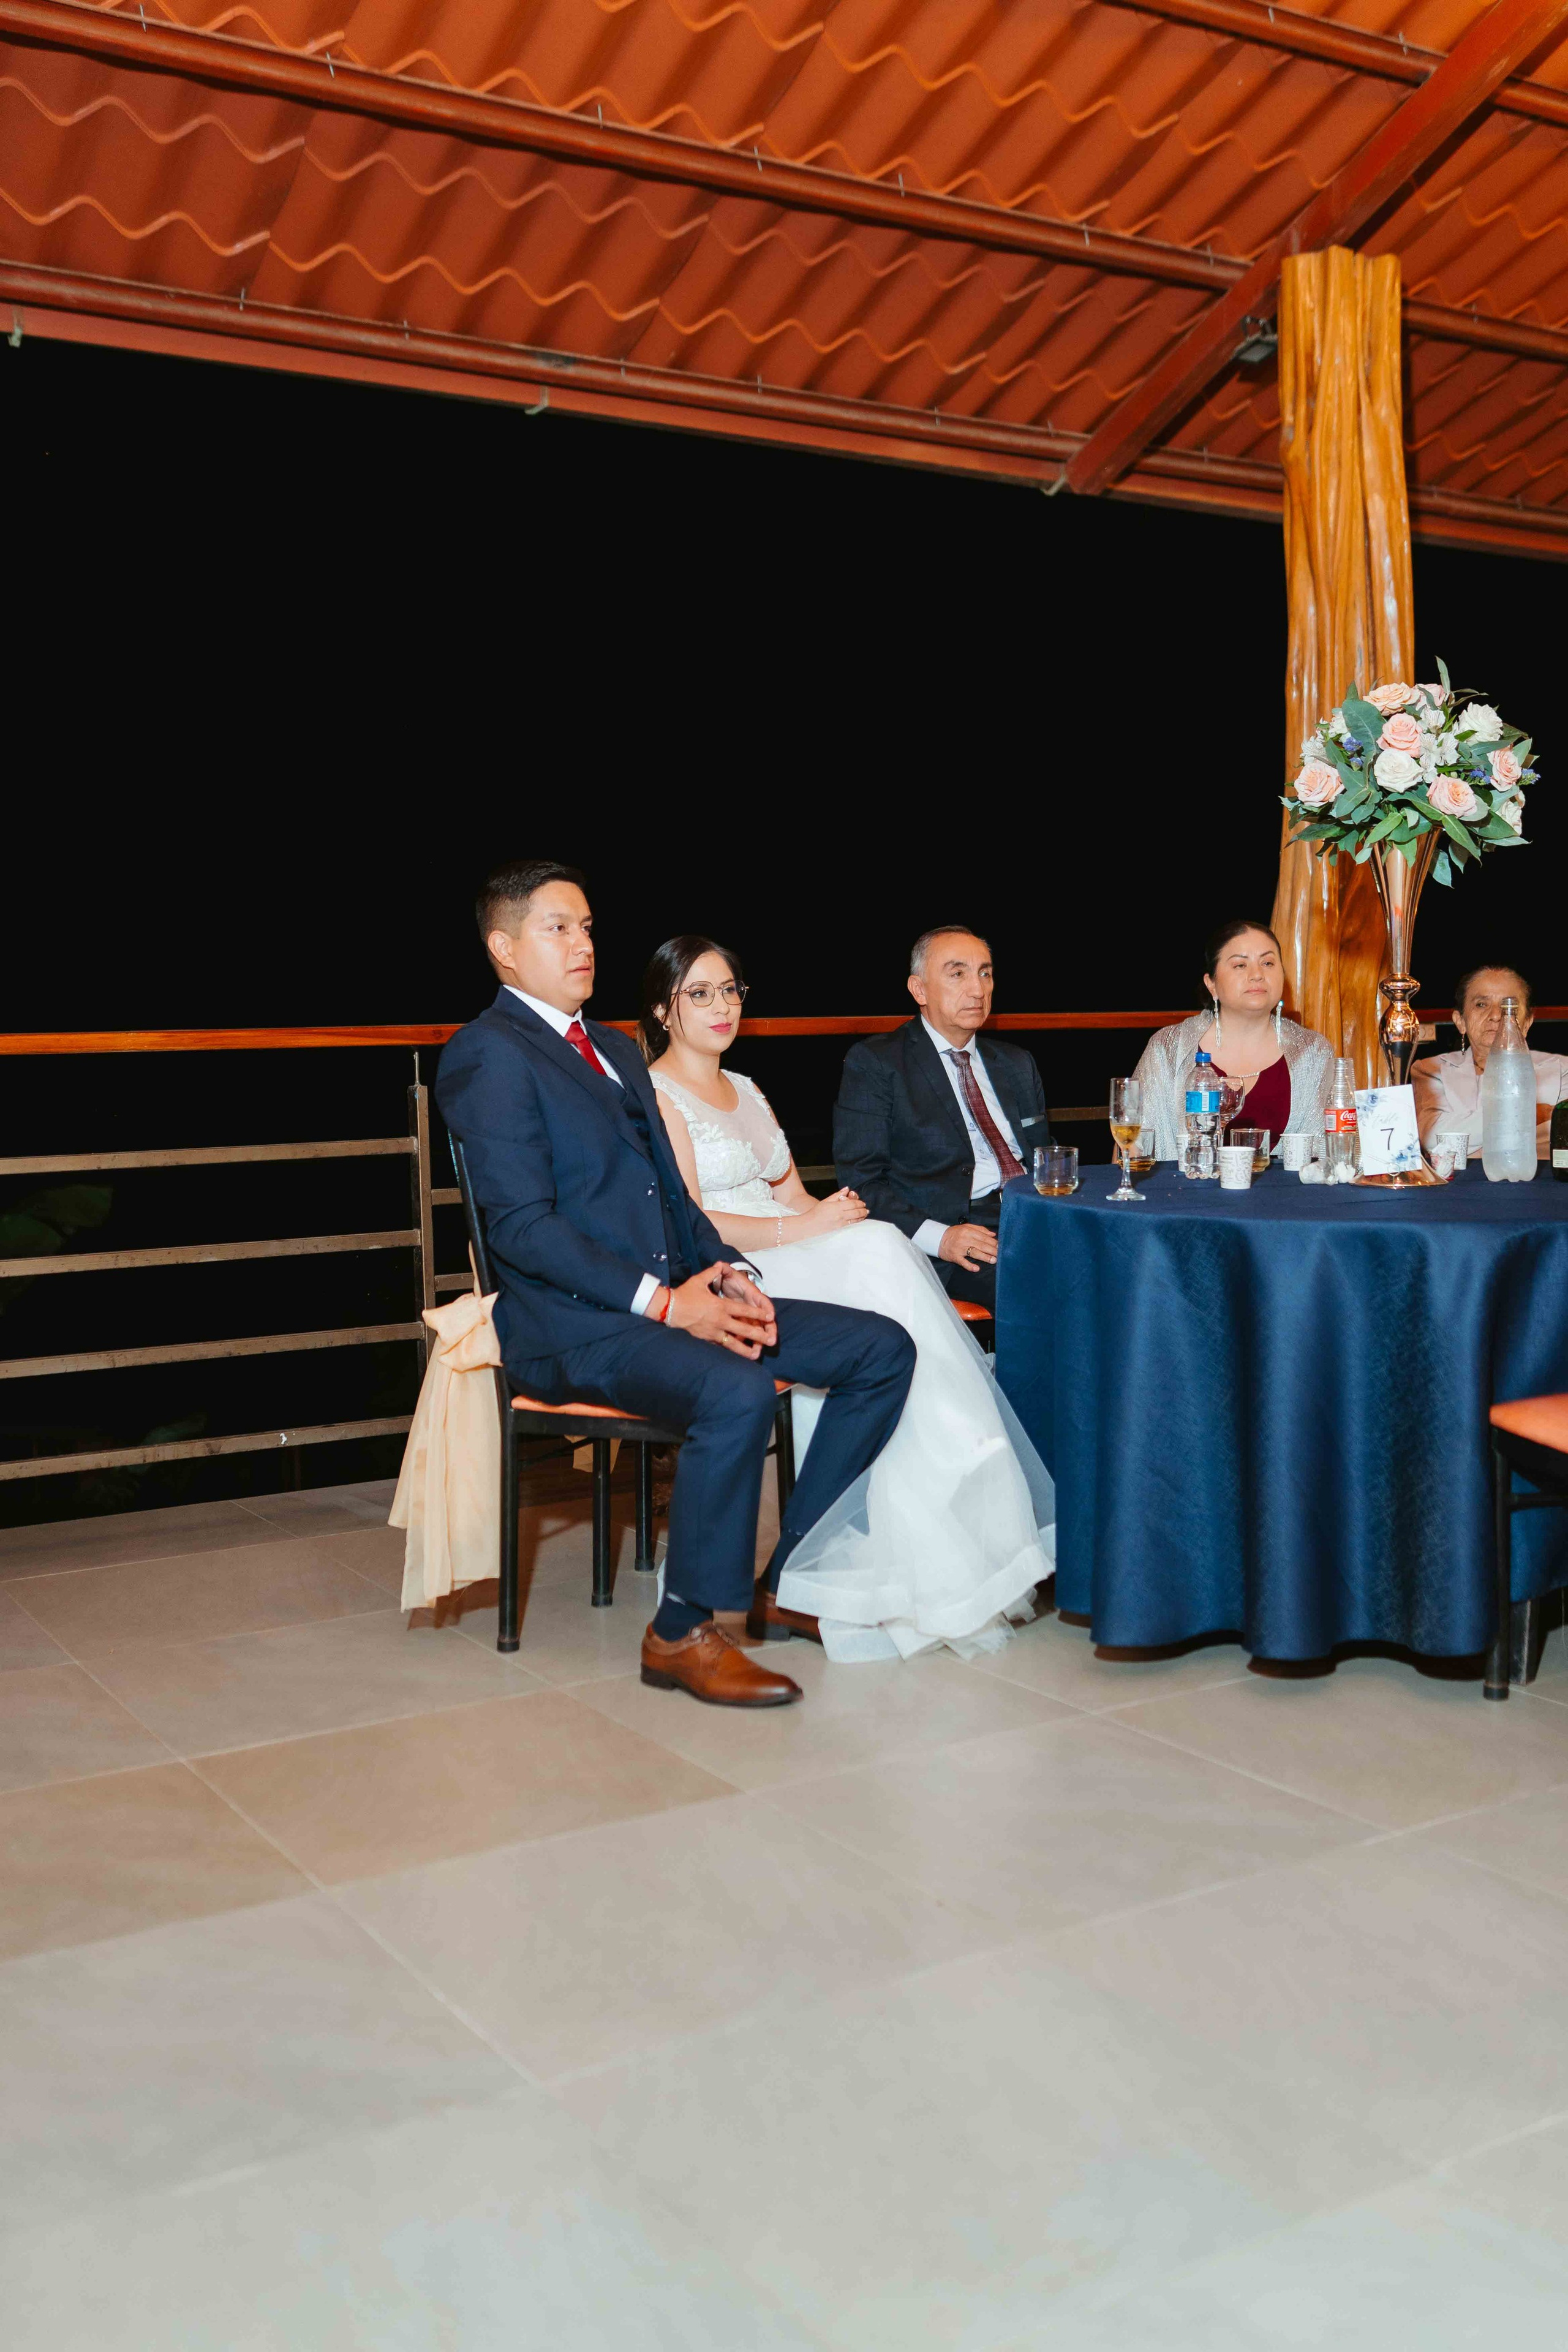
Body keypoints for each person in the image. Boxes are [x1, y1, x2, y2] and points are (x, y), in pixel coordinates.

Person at [435, 860, 916, 1710]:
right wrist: (663, 1303)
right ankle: (681, 1631)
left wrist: (724, 1276)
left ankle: (789, 1578)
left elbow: (672, 1193)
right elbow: (521, 1228)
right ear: (504, 949)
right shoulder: (487, 1055)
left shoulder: (616, 1048)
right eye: (558, 928)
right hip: (574, 1327)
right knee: (737, 1390)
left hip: (674, 1302)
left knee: (880, 1347)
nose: (583, 943)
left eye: (587, 927)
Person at [644, 936, 1052, 1661]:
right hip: (730, 1266)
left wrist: (831, 1215)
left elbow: (796, 1192)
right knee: (876, 1252)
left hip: (789, 1245)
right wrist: (806, 1227)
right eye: (699, 993)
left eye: (731, 990)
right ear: (661, 1010)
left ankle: (930, 1480)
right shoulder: (657, 1096)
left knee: (875, 1242)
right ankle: (959, 1443)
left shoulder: (749, 1090)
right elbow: (691, 1220)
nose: (721, 1006)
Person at [831, 927, 1049, 1311]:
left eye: (985, 972)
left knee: (1125, 1265)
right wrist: (941, 1237)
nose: (978, 990)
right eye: (957, 973)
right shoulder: (878, 1063)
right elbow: (861, 1182)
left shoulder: (1016, 1063)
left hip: (1035, 1214)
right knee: (1045, 1289)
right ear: (919, 990)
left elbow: (1044, 1157)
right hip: (955, 1231)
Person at [1133, 920, 1333, 1159]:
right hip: (1186, 1192)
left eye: (1268, 963)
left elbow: (1330, 1152)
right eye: (1240, 965)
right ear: (1212, 984)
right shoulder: (1168, 1048)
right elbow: (1133, 1143)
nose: (1257, 975)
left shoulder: (1314, 1052)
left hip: (1285, 1196)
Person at [1413, 964, 1567, 1159]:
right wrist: (1531, 1114)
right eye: (1481, 1005)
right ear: (1460, 1021)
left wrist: (1470, 1136)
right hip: (1461, 1187)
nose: (1496, 1016)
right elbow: (1430, 1136)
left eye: (1509, 1006)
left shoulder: (1562, 1070)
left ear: (1527, 1023)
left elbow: (1564, 1138)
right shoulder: (1431, 1070)